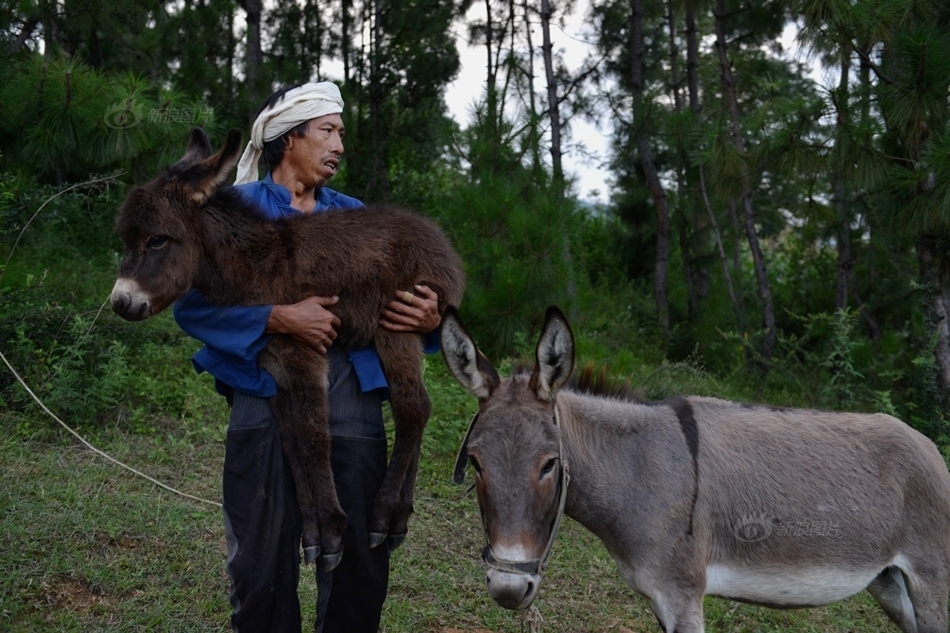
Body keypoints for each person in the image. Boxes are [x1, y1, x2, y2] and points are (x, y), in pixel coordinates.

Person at [173, 81, 442, 633]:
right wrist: (277, 317)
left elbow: (408, 308)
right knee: (258, 565)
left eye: (341, 133)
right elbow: (190, 306)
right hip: (264, 393)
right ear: (289, 138)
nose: (339, 144)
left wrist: (430, 319)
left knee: (358, 568)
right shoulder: (234, 210)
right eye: (328, 131)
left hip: (354, 400)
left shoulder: (355, 215)